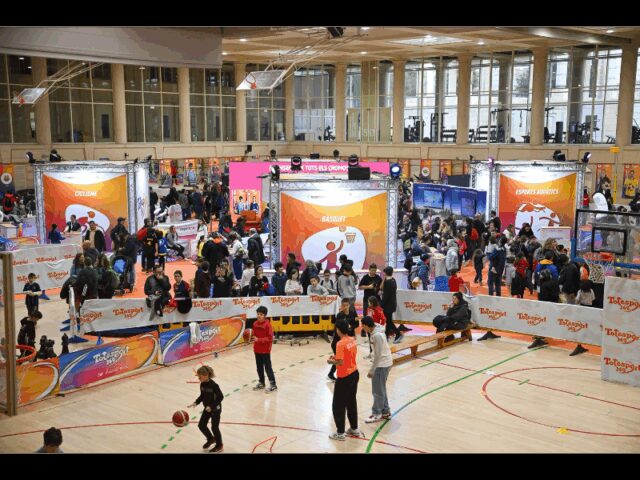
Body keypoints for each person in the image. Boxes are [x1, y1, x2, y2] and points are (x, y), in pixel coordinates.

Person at [327, 319, 362, 440]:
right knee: (351, 402)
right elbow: (347, 356)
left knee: (338, 405)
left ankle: (340, 433)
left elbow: (340, 362)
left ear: (338, 330)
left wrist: (331, 361)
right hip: (354, 373)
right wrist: (336, 357)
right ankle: (354, 428)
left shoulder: (340, 343)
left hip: (344, 377)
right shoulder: (352, 340)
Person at [360, 316, 393, 424]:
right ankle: (385, 412)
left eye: (362, 326)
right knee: (381, 389)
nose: (362, 328)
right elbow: (376, 351)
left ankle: (376, 414)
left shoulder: (377, 335)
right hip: (384, 363)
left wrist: (372, 370)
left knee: (377, 391)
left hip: (381, 365)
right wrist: (370, 355)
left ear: (366, 325)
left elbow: (378, 354)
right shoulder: (375, 331)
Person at [188, 365, 224, 453]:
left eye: (200, 376)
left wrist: (211, 406)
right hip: (207, 408)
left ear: (206, 375)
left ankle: (219, 445)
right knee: (201, 425)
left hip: (215, 409)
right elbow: (202, 396)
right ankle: (211, 439)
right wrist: (196, 402)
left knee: (214, 427)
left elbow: (220, 397)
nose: (198, 378)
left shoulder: (214, 385)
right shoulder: (202, 384)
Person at [328, 299, 358, 381]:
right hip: (337, 342)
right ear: (341, 306)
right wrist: (352, 321)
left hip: (347, 341)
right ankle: (332, 374)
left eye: (346, 305)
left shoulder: (353, 313)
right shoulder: (339, 315)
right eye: (343, 306)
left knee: (345, 358)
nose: (345, 307)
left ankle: (339, 374)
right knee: (340, 359)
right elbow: (340, 326)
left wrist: (351, 327)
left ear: (349, 305)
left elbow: (357, 323)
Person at [251, 306, 277, 393]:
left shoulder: (268, 325)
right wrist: (250, 337)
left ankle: (273, 384)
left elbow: (270, 338)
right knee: (259, 367)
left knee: (268, 368)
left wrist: (259, 340)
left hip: (265, 350)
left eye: (261, 314)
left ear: (265, 316)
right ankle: (261, 382)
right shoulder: (255, 324)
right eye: (258, 314)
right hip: (257, 349)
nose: (259, 316)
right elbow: (254, 336)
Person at [380, 266, 402, 343]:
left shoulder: (387, 282)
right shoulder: (393, 280)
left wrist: (381, 305)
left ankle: (398, 333)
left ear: (385, 273)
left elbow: (385, 295)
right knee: (388, 320)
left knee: (389, 321)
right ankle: (386, 335)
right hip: (392, 304)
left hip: (387, 305)